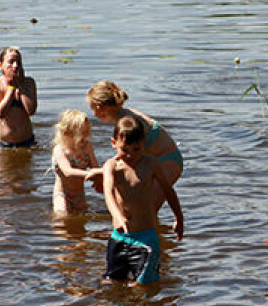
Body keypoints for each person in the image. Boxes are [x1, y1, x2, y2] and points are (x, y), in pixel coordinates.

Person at [98, 116, 184, 284]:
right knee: (112, 283)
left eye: (136, 149)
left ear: (144, 144)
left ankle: (147, 301)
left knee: (145, 285)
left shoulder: (151, 164)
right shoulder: (111, 166)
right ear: (114, 143)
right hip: (119, 238)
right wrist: (118, 216)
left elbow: (168, 191)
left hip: (145, 239)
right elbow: (108, 193)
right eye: (125, 149)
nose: (130, 154)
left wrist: (178, 218)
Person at [86, 81, 183, 212]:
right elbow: (127, 153)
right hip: (158, 159)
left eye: (93, 109)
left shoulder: (128, 121)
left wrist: (101, 172)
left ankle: (164, 224)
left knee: (147, 209)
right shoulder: (126, 115)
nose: (93, 114)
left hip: (168, 161)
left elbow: (126, 153)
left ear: (99, 107)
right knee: (138, 206)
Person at [51, 109, 103, 214]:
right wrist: (90, 173)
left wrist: (99, 180)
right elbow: (67, 171)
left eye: (87, 132)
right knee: (62, 217)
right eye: (82, 133)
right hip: (62, 194)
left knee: (81, 220)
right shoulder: (59, 150)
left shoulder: (87, 147)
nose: (86, 136)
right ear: (67, 133)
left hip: (79, 195)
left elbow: (95, 167)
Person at [0, 46, 37, 148]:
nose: (15, 66)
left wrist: (20, 86)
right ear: (1, 66)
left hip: (27, 141)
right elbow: (0, 113)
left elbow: (31, 110)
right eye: (11, 62)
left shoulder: (29, 83)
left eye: (18, 62)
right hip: (2, 144)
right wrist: (11, 88)